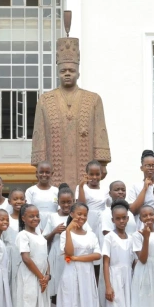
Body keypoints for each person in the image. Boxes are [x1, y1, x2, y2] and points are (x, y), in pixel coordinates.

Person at [30, 19, 112, 191]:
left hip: (84, 167)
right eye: (63, 71)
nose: (67, 74)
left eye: (71, 70)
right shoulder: (45, 100)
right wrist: (39, 163)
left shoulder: (93, 99)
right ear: (58, 72)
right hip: (55, 168)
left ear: (78, 72)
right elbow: (39, 134)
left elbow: (100, 131)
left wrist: (101, 162)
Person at [57, 202, 101, 307]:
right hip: (70, 274)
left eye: (84, 215)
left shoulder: (91, 234)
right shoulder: (65, 234)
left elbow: (97, 255)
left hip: (86, 274)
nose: (81, 217)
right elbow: (68, 253)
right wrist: (68, 231)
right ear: (72, 214)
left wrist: (77, 258)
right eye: (79, 214)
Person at [13, 204, 52, 307]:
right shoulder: (23, 235)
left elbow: (45, 257)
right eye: (31, 216)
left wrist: (47, 275)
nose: (35, 218)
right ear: (23, 218)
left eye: (37, 215)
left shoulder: (40, 235)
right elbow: (26, 258)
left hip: (41, 279)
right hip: (29, 278)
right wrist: (40, 277)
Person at [102, 200, 137, 307]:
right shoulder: (109, 237)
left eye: (124, 218)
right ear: (113, 220)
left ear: (128, 218)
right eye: (118, 218)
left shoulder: (131, 238)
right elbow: (106, 261)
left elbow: (134, 261)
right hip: (114, 277)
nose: (121, 221)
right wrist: (108, 285)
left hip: (128, 278)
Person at [44, 184, 76, 307]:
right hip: (55, 257)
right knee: (54, 296)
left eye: (69, 202)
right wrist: (54, 231)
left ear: (73, 201)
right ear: (58, 202)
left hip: (70, 259)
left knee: (69, 295)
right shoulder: (52, 217)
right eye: (63, 202)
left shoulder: (76, 217)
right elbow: (44, 240)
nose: (66, 205)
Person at [76, 160, 109, 247]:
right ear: (86, 174)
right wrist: (81, 186)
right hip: (88, 219)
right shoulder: (82, 187)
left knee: (101, 243)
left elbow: (110, 205)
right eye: (91, 174)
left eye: (97, 174)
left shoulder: (105, 190)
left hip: (101, 221)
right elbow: (80, 205)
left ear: (101, 174)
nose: (94, 177)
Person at [25, 161, 59, 231]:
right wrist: (37, 229)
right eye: (41, 172)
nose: (44, 174)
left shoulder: (56, 191)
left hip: (53, 228)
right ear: (36, 173)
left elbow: (59, 211)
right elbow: (27, 211)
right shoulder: (30, 191)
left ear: (52, 174)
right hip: (35, 228)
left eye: (47, 172)